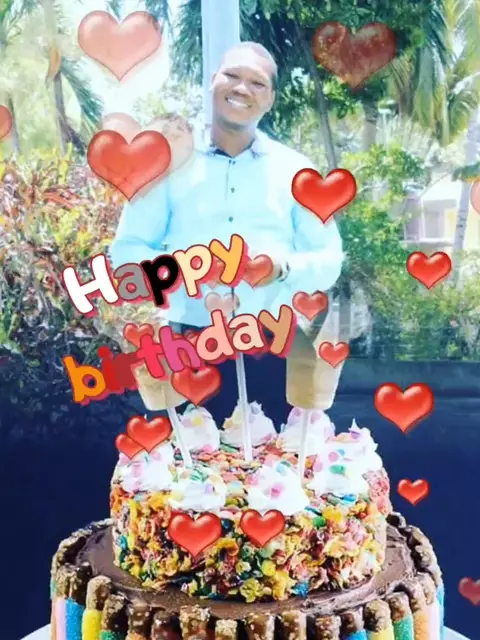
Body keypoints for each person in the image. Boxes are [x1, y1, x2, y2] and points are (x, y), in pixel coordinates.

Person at [109, 41, 345, 421]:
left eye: (257, 82)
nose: (241, 88)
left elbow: (329, 259)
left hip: (273, 345)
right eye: (232, 75)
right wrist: (182, 268)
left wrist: (281, 268)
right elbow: (126, 252)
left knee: (278, 457)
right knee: (189, 458)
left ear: (270, 99)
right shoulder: (168, 164)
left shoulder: (297, 171)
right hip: (189, 344)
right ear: (212, 80)